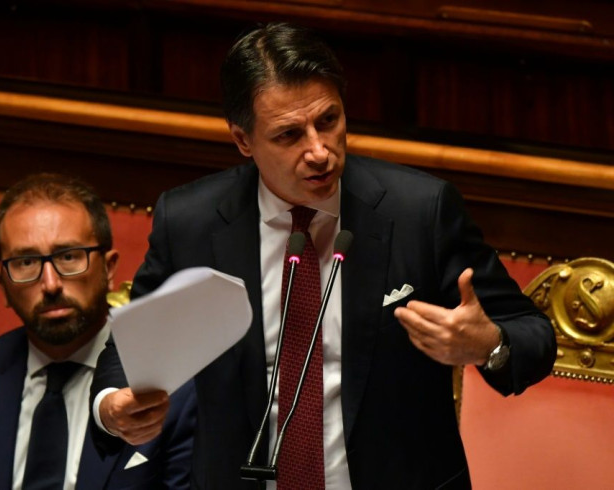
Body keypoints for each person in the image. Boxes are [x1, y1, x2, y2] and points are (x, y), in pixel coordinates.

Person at [91, 23, 556, 489]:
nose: (319, 151)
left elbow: (533, 335)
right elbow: (129, 351)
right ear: (242, 140)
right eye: (289, 135)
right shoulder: (191, 222)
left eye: (328, 121)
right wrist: (113, 406)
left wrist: (489, 345)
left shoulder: (419, 212)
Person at [0, 173, 195, 490]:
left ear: (108, 269)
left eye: (68, 257)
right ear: (3, 287)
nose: (50, 284)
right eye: (26, 262)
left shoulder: (174, 385)